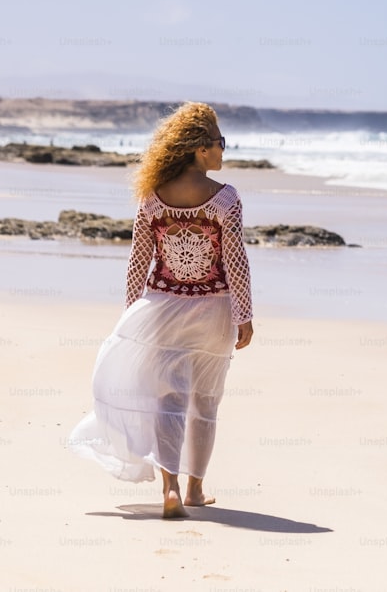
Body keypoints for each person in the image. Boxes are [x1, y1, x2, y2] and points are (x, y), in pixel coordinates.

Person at [70, 102, 254, 518]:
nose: (224, 150)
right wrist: (244, 314)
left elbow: (138, 261)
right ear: (199, 150)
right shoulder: (225, 200)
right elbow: (236, 261)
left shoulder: (152, 198)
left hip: (163, 309)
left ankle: (169, 489)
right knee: (205, 402)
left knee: (167, 399)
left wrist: (131, 316)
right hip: (214, 312)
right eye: (219, 143)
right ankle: (195, 489)